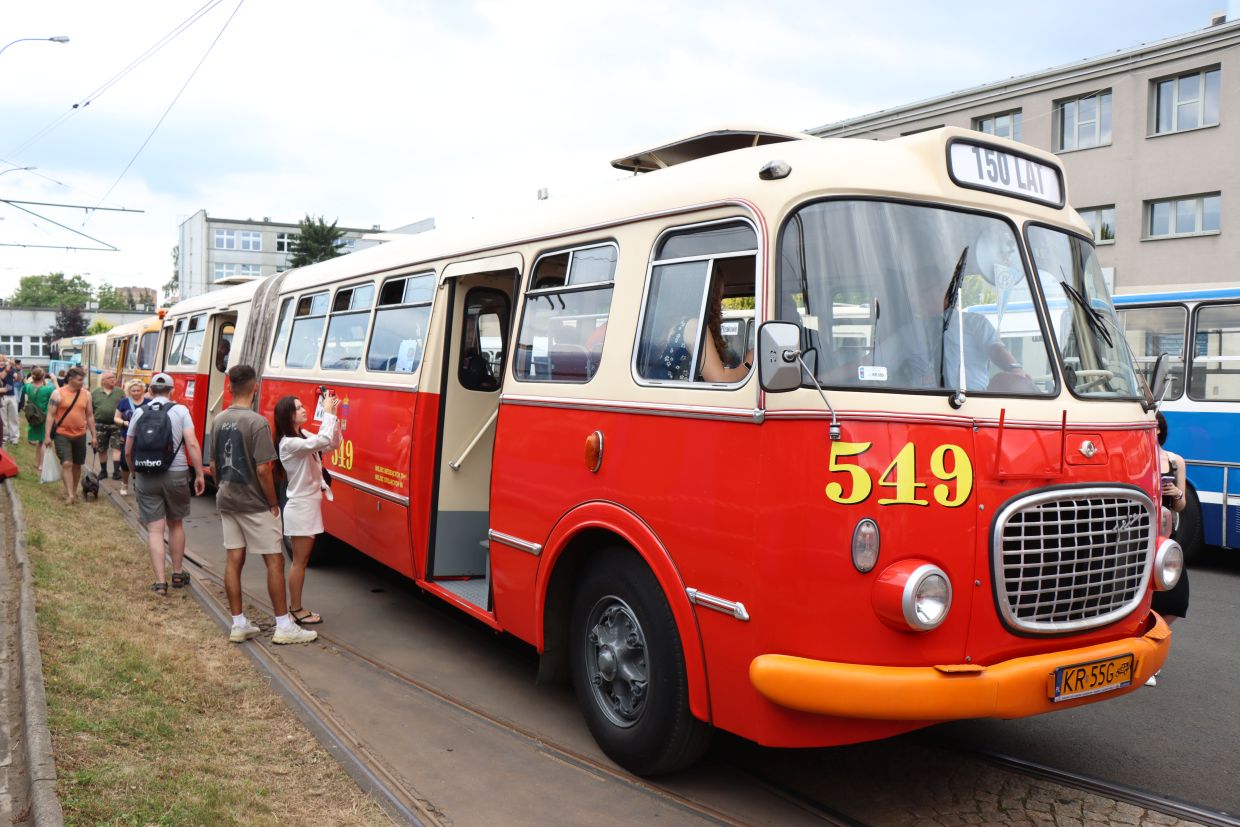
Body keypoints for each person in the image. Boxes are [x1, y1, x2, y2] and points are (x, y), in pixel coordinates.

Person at [212, 365, 316, 645]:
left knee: (234, 559)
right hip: (254, 503)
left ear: (230, 387)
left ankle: (238, 624)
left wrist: (222, 488)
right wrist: (273, 503)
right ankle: (284, 625)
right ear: (255, 387)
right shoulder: (257, 422)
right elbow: (263, 470)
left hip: (227, 498)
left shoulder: (219, 419)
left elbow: (214, 464)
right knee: (275, 560)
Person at [126, 373, 205, 595]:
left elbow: (128, 449)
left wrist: (134, 473)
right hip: (177, 473)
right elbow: (192, 443)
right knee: (176, 524)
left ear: (150, 391)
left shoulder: (140, 411)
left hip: (146, 475)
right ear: (172, 390)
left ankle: (160, 583)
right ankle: (178, 573)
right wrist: (199, 473)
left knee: (155, 529)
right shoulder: (181, 411)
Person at [274, 390, 343, 626]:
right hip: (301, 507)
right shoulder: (289, 443)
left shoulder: (301, 435)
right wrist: (329, 413)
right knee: (299, 562)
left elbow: (331, 443)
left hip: (307, 505)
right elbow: (322, 441)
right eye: (299, 407)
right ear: (288, 416)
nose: (304, 409)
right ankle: (295, 609)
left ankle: (296, 608)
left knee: (301, 561)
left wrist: (335, 416)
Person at [1149, 411, 1189, 687]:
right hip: (1138, 533)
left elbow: (1182, 505)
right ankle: (1145, 662)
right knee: (1143, 597)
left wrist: (1176, 495)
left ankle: (1149, 648)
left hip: (1166, 534)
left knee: (1176, 598)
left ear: (1159, 431)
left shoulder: (1175, 461)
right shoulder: (1131, 457)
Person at [42, 367, 97, 505]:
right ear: (70, 379)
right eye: (79, 380)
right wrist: (47, 436)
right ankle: (70, 495)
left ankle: (73, 489)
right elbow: (50, 416)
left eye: (82, 380)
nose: (82, 382)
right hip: (62, 434)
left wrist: (94, 436)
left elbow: (90, 415)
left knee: (77, 464)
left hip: (80, 434)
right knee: (67, 463)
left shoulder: (86, 395)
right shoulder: (57, 394)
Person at [114, 379, 146, 496]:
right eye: (133, 390)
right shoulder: (123, 402)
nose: (136, 392)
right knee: (124, 461)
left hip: (144, 437)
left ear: (142, 390)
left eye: (138, 390)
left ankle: (139, 485)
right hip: (126, 435)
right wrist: (123, 423)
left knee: (142, 460)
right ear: (129, 391)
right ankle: (125, 483)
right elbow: (116, 418)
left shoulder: (148, 402)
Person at [91, 371, 125, 481]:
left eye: (114, 377)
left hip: (117, 425)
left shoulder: (120, 392)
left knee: (117, 448)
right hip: (100, 425)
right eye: (110, 378)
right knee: (101, 449)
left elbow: (125, 407)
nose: (113, 379)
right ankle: (103, 471)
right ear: (103, 380)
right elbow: (90, 410)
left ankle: (116, 472)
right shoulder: (95, 393)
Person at [23, 368, 56, 473]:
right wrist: (54, 380)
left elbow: (24, 389)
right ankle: (41, 465)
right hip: (44, 417)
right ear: (43, 377)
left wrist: (29, 381)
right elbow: (59, 392)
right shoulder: (48, 389)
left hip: (33, 416)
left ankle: (37, 462)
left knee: (39, 443)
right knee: (43, 441)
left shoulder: (28, 386)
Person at [0, 355, 19, 445]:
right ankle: (4, 437)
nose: (2, 362)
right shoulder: (3, 369)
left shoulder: (10, 368)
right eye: (1, 361)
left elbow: (17, 377)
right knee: (3, 418)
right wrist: (8, 367)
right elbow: (2, 376)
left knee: (13, 417)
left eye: (3, 361)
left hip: (11, 395)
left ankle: (14, 438)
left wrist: (14, 369)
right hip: (2, 396)